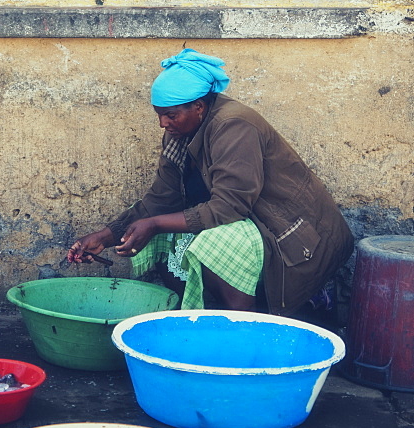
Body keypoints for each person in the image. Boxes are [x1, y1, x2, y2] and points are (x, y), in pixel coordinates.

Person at [68, 48, 353, 315]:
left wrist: (154, 224)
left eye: (170, 115)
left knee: (217, 242)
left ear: (200, 107)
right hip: (255, 225)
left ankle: (241, 328)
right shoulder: (179, 134)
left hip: (296, 242)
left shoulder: (234, 125)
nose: (163, 124)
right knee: (163, 232)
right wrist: (104, 237)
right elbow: (160, 201)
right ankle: (202, 316)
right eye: (160, 115)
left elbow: (230, 207)